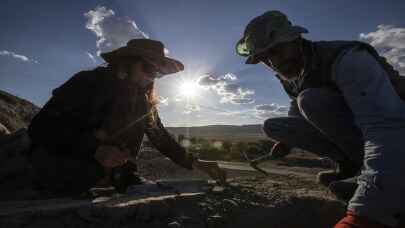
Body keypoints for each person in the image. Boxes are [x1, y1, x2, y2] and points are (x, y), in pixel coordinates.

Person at [236, 11, 405, 228]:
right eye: (265, 59)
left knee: (310, 100)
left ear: (295, 39)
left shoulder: (348, 58)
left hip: (396, 128)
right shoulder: (293, 73)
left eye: (276, 51)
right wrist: (287, 142)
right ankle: (354, 168)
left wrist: (366, 214)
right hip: (366, 130)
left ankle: (379, 178)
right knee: (275, 126)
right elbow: (295, 109)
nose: (274, 62)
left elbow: (385, 128)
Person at [27, 39, 226, 197]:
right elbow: (41, 127)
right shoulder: (88, 82)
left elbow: (161, 138)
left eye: (158, 74)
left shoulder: (143, 101)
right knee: (84, 175)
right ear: (129, 61)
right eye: (149, 69)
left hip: (117, 176)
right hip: (64, 165)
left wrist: (196, 163)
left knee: (128, 183)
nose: (152, 77)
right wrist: (95, 149)